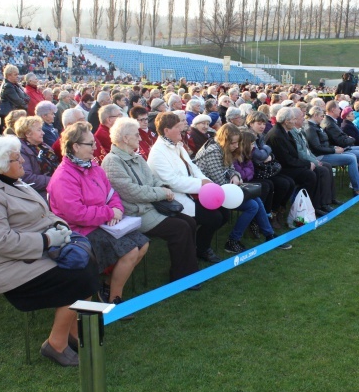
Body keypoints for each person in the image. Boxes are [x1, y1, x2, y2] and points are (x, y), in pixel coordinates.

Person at [0, 135, 99, 367]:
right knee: (78, 277)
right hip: (6, 265)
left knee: (87, 262)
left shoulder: (12, 181)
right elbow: (1, 243)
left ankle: (73, 330)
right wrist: (47, 240)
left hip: (34, 251)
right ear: (1, 165)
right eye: (18, 159)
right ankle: (55, 344)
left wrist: (60, 225)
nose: (23, 163)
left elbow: (44, 213)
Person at [48, 122, 149, 312]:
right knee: (130, 251)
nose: (96, 147)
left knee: (142, 244)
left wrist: (116, 209)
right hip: (78, 232)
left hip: (102, 223)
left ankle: (108, 286)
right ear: (75, 146)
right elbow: (75, 214)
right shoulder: (63, 176)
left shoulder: (92, 166)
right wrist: (109, 213)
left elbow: (111, 194)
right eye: (90, 144)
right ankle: (114, 297)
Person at [101, 118, 200, 285]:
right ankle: (182, 277)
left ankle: (188, 269)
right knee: (180, 228)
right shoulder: (112, 161)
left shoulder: (135, 157)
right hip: (135, 211)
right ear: (125, 138)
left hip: (150, 206)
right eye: (136, 135)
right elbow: (132, 193)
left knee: (189, 222)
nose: (140, 138)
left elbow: (152, 179)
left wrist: (163, 188)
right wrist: (161, 192)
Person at [194, 124, 291, 253]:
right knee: (252, 205)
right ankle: (233, 241)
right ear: (225, 140)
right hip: (212, 194)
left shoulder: (222, 148)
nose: (236, 146)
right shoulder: (213, 151)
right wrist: (235, 181)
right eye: (233, 143)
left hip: (223, 189)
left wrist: (235, 175)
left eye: (237, 143)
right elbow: (219, 180)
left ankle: (269, 235)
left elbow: (231, 169)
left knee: (255, 199)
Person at [147, 112, 227, 263]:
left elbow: (193, 168)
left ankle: (199, 244)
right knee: (214, 218)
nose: (183, 129)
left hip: (192, 192)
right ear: (166, 130)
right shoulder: (158, 152)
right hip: (175, 198)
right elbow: (172, 182)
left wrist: (206, 181)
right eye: (178, 127)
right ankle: (201, 249)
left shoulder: (177, 145)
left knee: (224, 212)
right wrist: (200, 185)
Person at [15, 116, 58, 198]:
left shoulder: (44, 146)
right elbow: (26, 178)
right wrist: (54, 180)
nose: (43, 133)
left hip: (53, 186)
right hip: (38, 194)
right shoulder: (21, 150)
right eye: (39, 130)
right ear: (28, 134)